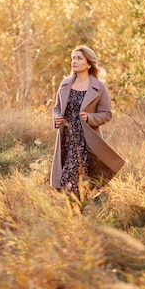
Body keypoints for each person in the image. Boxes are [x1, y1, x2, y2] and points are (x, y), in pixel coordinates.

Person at [50, 45, 125, 199]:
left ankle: (72, 213)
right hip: (66, 140)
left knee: (67, 179)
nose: (74, 61)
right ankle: (77, 214)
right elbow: (57, 107)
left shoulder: (99, 87)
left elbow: (107, 114)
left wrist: (90, 118)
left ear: (89, 64)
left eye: (79, 58)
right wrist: (57, 117)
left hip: (85, 141)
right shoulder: (65, 84)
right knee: (74, 179)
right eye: (73, 58)